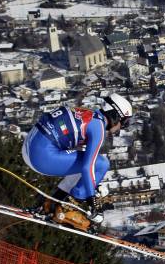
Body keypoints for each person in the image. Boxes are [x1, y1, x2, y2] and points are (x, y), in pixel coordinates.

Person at [22, 93, 132, 224]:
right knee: (101, 164)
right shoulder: (98, 128)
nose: (122, 127)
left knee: (85, 159)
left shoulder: (89, 114)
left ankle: (52, 202)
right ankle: (67, 208)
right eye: (124, 122)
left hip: (29, 148)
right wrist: (92, 200)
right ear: (116, 116)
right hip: (41, 158)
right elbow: (88, 167)